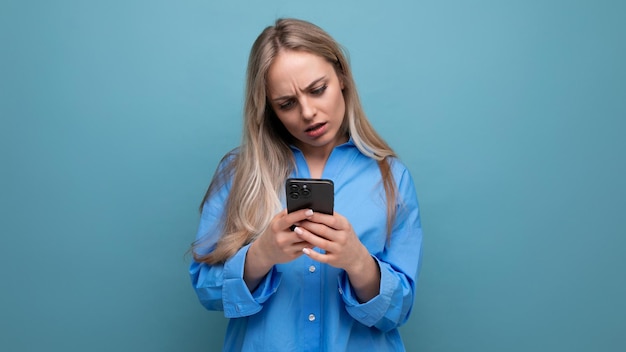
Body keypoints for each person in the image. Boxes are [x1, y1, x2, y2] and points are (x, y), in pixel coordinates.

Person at [190, 18, 423, 352]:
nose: (308, 113)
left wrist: (358, 261)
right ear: (269, 108)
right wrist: (261, 255)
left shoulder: (391, 179)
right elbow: (206, 289)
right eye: (287, 103)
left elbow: (398, 311)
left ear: (341, 76)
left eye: (317, 90)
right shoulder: (237, 173)